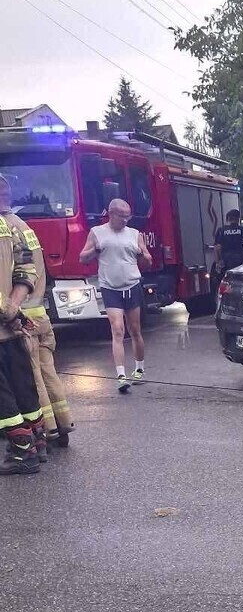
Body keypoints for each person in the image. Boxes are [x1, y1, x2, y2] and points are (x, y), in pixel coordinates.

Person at [0, 174, 74, 448]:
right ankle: (63, 423)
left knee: (32, 379)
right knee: (48, 371)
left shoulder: (6, 228)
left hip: (20, 318)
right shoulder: (24, 226)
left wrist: (11, 309)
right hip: (40, 314)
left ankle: (46, 431)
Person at [79, 198, 152, 393]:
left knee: (134, 330)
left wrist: (142, 255)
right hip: (110, 287)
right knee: (117, 330)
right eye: (122, 217)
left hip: (132, 285)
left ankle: (139, 369)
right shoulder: (97, 233)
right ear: (111, 214)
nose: (126, 221)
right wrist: (95, 250)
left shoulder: (135, 234)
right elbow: (83, 257)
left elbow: (148, 262)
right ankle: (121, 375)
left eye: (128, 217)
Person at [0, 204, 45, 475]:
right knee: (22, 387)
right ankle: (37, 442)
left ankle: (21, 452)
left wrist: (7, 309)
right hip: (10, 325)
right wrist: (14, 307)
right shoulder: (6, 225)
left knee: (3, 395)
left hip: (6, 320)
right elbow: (26, 265)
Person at [214, 209, 243, 279]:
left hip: (226, 261)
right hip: (241, 261)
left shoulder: (221, 230)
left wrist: (218, 262)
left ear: (228, 218)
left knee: (227, 280)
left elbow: (217, 248)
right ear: (238, 218)